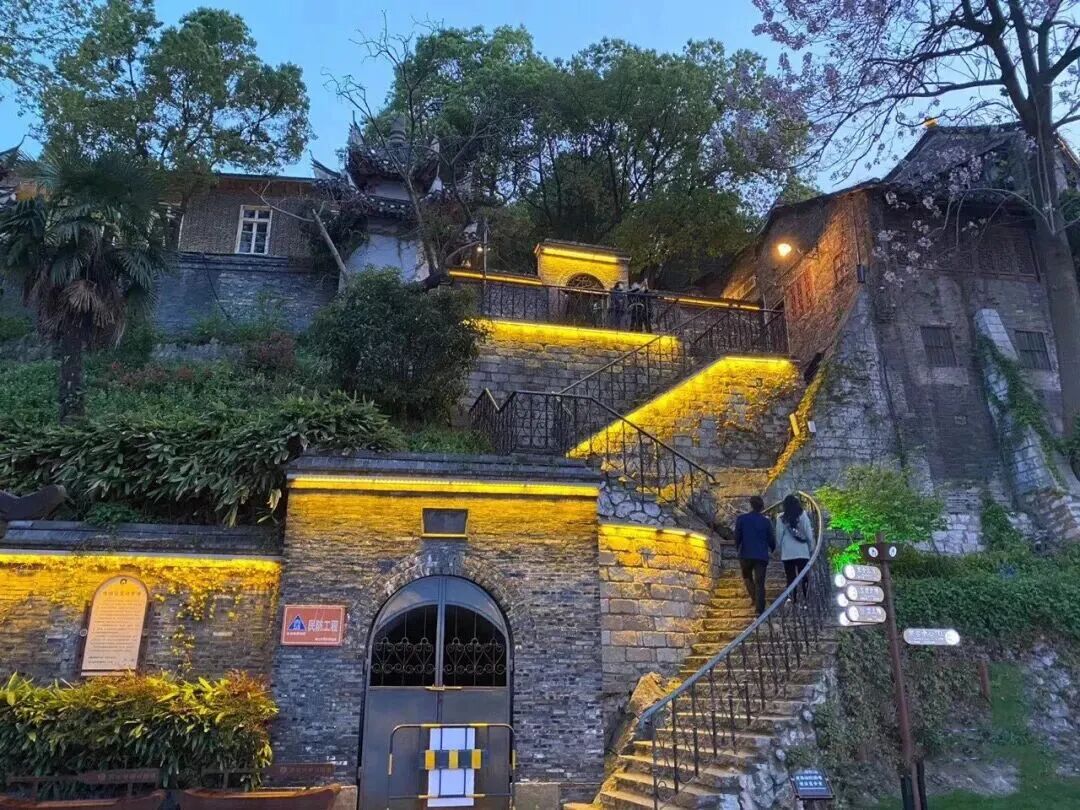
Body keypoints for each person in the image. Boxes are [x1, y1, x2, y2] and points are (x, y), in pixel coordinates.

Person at [734, 495, 775, 616]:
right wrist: (772, 548)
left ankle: (755, 598)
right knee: (760, 582)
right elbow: (771, 538)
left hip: (746, 554)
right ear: (762, 507)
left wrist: (737, 547)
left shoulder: (742, 519)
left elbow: (737, 536)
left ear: (751, 505)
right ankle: (759, 609)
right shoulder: (766, 521)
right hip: (761, 555)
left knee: (747, 577)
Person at [776, 494, 815, 606]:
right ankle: (805, 600)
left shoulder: (781, 518)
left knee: (790, 577)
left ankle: (793, 599)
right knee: (804, 576)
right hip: (802, 551)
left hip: (788, 553)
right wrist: (811, 546)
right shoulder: (803, 515)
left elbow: (779, 536)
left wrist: (779, 548)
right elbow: (808, 533)